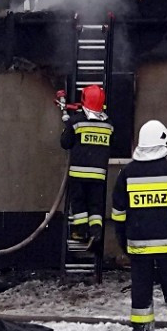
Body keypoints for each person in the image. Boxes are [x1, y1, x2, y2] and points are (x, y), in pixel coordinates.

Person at [111, 120, 167, 331]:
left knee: (141, 287)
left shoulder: (127, 173)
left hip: (138, 244)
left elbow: (119, 211)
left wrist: (122, 239)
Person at [60, 85, 113, 250]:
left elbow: (65, 143)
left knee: (79, 203)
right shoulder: (109, 125)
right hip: (99, 175)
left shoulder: (76, 122)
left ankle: (81, 232)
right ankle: (96, 231)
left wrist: (67, 125)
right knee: (95, 205)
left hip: (78, 173)